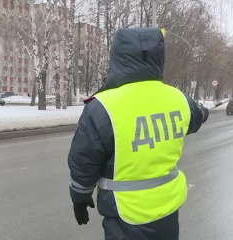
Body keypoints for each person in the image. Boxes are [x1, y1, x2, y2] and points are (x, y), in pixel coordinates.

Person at [67, 27, 209, 240]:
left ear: (117, 57)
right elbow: (196, 117)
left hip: (125, 214)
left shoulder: (103, 106)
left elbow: (85, 158)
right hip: (167, 209)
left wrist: (80, 195)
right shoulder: (178, 98)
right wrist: (204, 111)